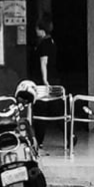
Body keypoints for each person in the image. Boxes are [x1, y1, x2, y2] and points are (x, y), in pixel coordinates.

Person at [30, 19, 60, 149]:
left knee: (40, 111)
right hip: (54, 79)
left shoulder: (43, 44)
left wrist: (44, 80)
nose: (36, 31)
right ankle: (69, 134)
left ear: (42, 30)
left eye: (37, 29)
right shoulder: (52, 42)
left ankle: (39, 139)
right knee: (57, 109)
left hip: (45, 83)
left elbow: (44, 62)